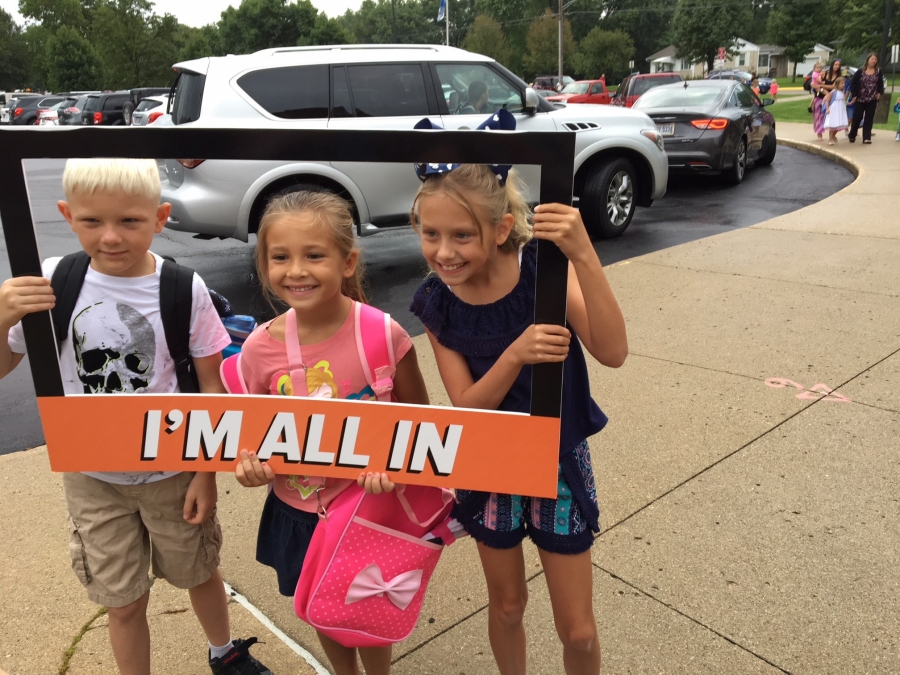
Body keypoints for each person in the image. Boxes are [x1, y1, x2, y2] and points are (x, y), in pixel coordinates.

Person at [0, 158, 271, 675]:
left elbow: (211, 387)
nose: (110, 237)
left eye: (129, 221)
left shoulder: (181, 288)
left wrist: (205, 472)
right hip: (92, 476)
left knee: (197, 571)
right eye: (91, 221)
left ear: (160, 217)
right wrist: (3, 316)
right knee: (122, 601)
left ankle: (224, 649)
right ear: (67, 214)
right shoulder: (55, 280)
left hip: (171, 468)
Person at [409, 136, 628, 672]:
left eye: (462, 235)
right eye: (430, 233)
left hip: (555, 458)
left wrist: (582, 251)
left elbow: (613, 350)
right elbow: (465, 405)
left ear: (502, 228)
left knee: (577, 630)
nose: (443, 252)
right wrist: (515, 354)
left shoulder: (541, 271)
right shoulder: (437, 302)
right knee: (507, 604)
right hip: (489, 464)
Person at [231, 190, 430, 675]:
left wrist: (394, 463)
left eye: (314, 255)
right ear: (265, 265)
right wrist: (249, 466)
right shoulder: (258, 350)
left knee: (368, 605)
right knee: (321, 603)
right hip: (298, 511)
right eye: (280, 257)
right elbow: (248, 433)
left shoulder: (383, 334)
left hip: (369, 507)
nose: (296, 270)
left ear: (348, 262)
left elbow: (421, 420)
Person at [848, 53, 885, 144]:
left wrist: (880, 93)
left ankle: (866, 137)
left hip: (872, 98)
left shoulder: (878, 71)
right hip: (860, 98)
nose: (873, 61)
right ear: (868, 60)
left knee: (869, 118)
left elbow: (881, 84)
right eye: (872, 59)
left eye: (875, 59)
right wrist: (854, 95)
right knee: (857, 117)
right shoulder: (860, 71)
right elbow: (852, 83)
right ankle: (852, 134)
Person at [823, 76, 849, 145]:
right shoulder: (833, 92)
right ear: (837, 84)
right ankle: (830, 139)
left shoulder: (842, 92)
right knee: (833, 125)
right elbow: (828, 100)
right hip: (834, 110)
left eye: (844, 83)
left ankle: (833, 136)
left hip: (840, 110)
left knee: (839, 125)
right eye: (842, 83)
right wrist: (827, 108)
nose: (843, 85)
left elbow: (843, 100)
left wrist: (847, 103)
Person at [810, 62, 825, 140]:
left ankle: (823, 131)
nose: (819, 69)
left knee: (823, 115)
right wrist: (823, 80)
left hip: (824, 96)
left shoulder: (821, 74)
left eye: (820, 68)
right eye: (817, 68)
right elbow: (819, 82)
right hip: (818, 96)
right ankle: (819, 132)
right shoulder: (815, 74)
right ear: (814, 68)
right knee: (818, 115)